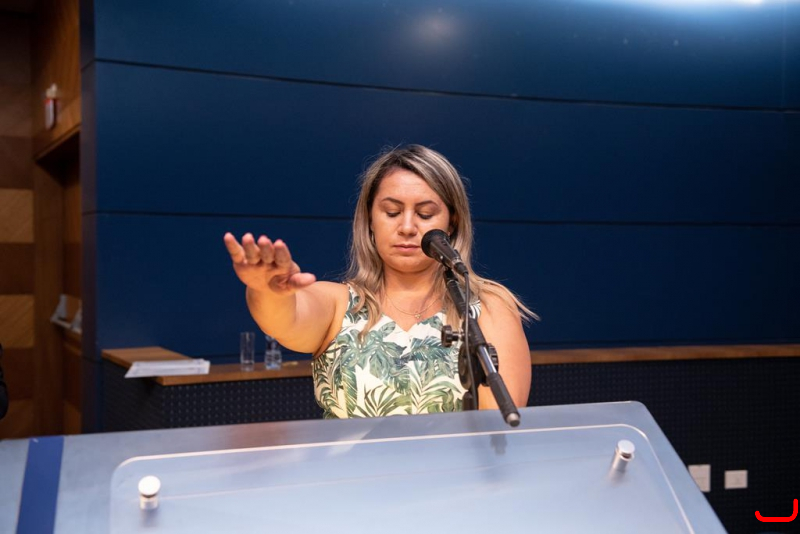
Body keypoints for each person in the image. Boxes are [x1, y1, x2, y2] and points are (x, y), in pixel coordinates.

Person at [224, 145, 535, 419]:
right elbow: (283, 318)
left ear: (451, 223)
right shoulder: (339, 305)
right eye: (392, 211)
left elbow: (499, 426)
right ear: (370, 220)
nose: (408, 227)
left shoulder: (487, 306)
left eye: (426, 214)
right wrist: (266, 290)